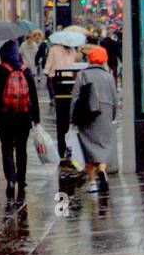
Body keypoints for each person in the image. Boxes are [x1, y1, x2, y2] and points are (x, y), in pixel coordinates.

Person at [0, 39, 40, 202]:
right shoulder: (26, 71)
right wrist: (36, 118)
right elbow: (34, 96)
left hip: (5, 117)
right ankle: (22, 180)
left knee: (7, 148)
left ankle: (10, 179)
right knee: (21, 148)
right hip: (23, 117)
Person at [70, 45, 117, 194]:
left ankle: (92, 182)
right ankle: (102, 170)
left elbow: (75, 97)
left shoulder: (83, 74)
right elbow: (115, 99)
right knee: (103, 145)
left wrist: (72, 118)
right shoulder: (109, 76)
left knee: (88, 147)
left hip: (87, 114)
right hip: (105, 113)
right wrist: (112, 115)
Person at [43, 37, 79, 160]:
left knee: (61, 117)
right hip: (70, 81)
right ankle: (71, 149)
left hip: (57, 80)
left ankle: (62, 150)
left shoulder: (54, 49)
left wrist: (46, 73)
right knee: (70, 115)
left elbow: (49, 63)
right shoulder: (73, 50)